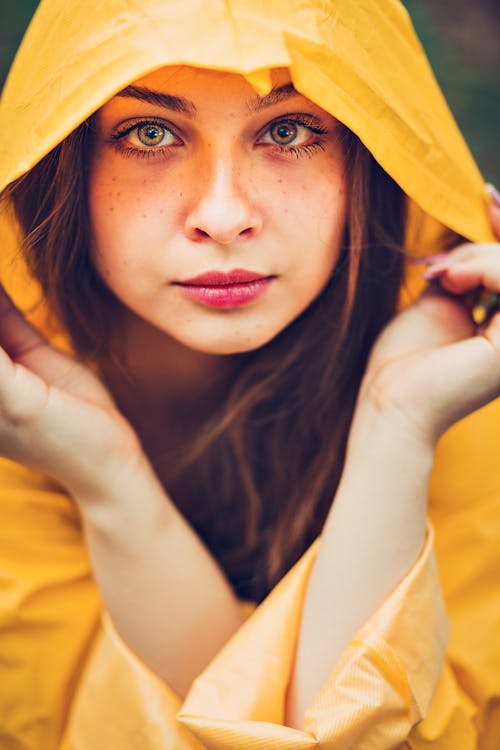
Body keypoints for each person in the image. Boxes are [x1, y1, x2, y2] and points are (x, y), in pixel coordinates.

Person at [0, 0, 499, 747]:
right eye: (149, 132)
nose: (224, 214)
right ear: (60, 165)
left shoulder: (471, 392)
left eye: (289, 131)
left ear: (372, 157)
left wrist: (399, 425)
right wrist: (102, 474)